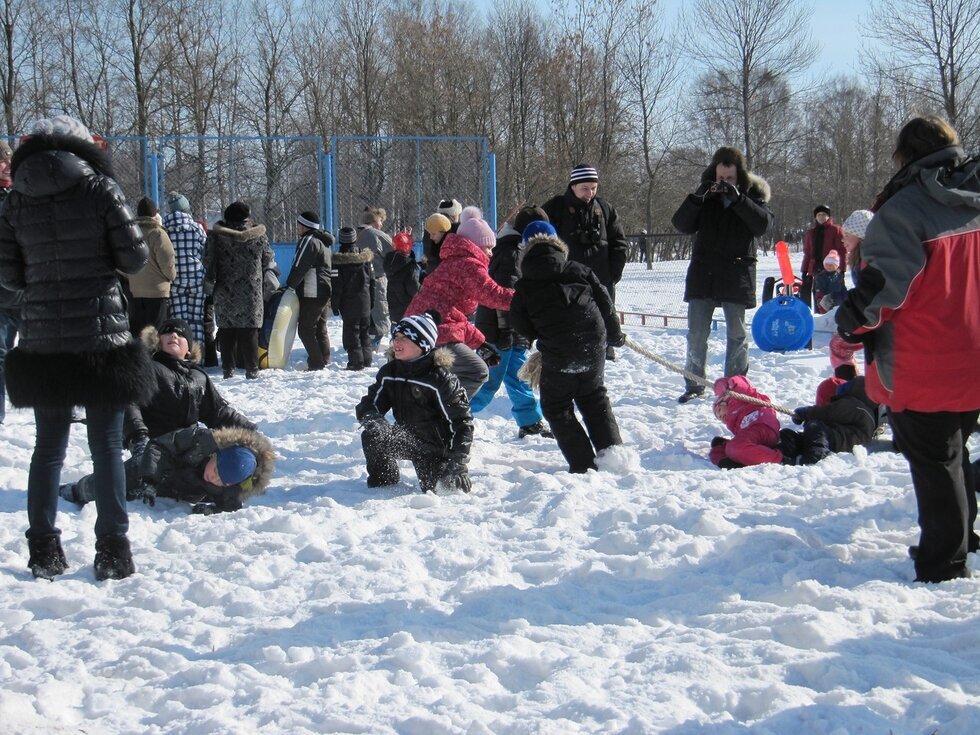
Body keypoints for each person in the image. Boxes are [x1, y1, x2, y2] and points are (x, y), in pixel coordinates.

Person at [0, 114, 155, 580]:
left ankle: (43, 549)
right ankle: (112, 549)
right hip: (101, 337)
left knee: (47, 449)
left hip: (44, 341)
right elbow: (134, 259)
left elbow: (8, 278)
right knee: (106, 444)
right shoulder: (100, 190)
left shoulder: (14, 201)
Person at [835, 115, 980, 583]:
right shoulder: (974, 199)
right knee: (953, 452)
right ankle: (963, 540)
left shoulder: (905, 211)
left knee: (936, 463)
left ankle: (944, 561)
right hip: (973, 352)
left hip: (924, 360)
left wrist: (851, 319)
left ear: (904, 156)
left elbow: (884, 291)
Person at [510, 221, 624, 474]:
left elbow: (520, 323)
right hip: (593, 345)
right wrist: (614, 335)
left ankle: (583, 464)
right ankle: (613, 453)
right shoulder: (579, 269)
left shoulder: (524, 285)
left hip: (558, 354)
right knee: (594, 397)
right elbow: (605, 302)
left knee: (556, 406)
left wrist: (538, 334)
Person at [671, 146, 773, 403]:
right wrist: (698, 197)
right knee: (696, 333)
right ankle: (694, 385)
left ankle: (735, 386)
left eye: (730, 179)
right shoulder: (704, 196)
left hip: (736, 275)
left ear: (739, 177)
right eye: (720, 179)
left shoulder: (753, 196)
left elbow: (762, 225)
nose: (725, 184)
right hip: (703, 274)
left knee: (737, 335)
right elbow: (681, 224)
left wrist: (739, 200)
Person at [355, 311, 473, 492]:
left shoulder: (440, 379)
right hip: (407, 439)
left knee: (441, 491)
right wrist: (373, 417)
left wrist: (458, 462)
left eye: (404, 338)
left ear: (422, 343)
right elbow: (370, 403)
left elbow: (462, 422)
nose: (396, 342)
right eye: (395, 336)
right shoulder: (390, 372)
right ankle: (383, 481)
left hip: (436, 449)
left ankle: (444, 475)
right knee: (373, 434)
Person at [404, 210, 514, 399]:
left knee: (448, 376)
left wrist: (480, 342)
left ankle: (434, 409)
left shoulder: (453, 261)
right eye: (487, 247)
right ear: (475, 245)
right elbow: (494, 296)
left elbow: (452, 314)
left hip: (417, 330)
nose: (490, 252)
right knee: (476, 371)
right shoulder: (469, 264)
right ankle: (446, 412)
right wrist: (527, 297)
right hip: (432, 333)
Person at [61, 424, 275, 515]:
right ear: (214, 454)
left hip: (173, 488)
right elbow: (160, 447)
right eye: (216, 470)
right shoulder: (199, 440)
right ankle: (75, 490)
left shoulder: (233, 487)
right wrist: (149, 480)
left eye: (220, 480)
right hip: (152, 468)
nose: (213, 478)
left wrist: (213, 509)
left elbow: (230, 504)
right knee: (112, 482)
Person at [471, 205, 552, 439]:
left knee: (519, 377)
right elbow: (505, 297)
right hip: (501, 332)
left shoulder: (511, 248)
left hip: (512, 332)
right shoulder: (511, 253)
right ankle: (452, 416)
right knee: (487, 383)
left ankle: (530, 421)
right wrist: (507, 331)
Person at [123, 317, 256, 456]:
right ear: (157, 342)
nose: (174, 335)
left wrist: (248, 429)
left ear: (189, 350)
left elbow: (217, 411)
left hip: (190, 448)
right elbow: (130, 403)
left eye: (181, 335)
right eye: (168, 332)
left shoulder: (198, 377)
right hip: (155, 448)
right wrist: (138, 438)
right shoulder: (148, 368)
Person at [542, 165, 629, 360]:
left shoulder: (605, 209)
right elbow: (542, 242)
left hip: (601, 279)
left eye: (593, 188)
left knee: (603, 313)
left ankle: (605, 346)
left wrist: (614, 272)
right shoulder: (554, 208)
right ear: (573, 186)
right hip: (567, 282)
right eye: (584, 188)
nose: (589, 193)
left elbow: (619, 243)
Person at [204, 201, 274, 380]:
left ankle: (228, 368)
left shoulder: (216, 236)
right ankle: (252, 369)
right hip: (251, 290)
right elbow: (267, 259)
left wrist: (209, 285)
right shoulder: (258, 236)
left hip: (224, 288)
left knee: (227, 329)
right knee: (249, 331)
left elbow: (208, 261)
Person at [780, 375, 881, 466]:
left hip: (848, 441)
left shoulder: (855, 405)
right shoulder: (855, 407)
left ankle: (815, 458)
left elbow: (826, 412)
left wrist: (805, 413)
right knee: (789, 434)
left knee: (815, 427)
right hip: (838, 437)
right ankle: (787, 452)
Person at [285, 211, 334, 371]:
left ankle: (316, 363)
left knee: (305, 329)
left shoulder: (309, 240)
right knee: (320, 327)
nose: (297, 227)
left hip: (312, 290)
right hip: (324, 290)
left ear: (305, 226)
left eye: (299, 224)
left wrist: (290, 285)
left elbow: (300, 266)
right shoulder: (323, 242)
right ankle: (324, 358)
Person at [164, 191, 208, 356]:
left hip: (175, 281)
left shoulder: (166, 229)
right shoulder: (197, 228)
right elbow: (205, 251)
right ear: (186, 209)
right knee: (196, 320)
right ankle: (197, 357)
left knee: (179, 322)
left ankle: (180, 356)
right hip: (196, 279)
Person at [708, 376, 784, 469]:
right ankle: (728, 461)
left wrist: (724, 384)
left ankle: (780, 458)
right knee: (718, 446)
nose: (720, 416)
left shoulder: (742, 399)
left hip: (762, 425)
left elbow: (741, 383)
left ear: (724, 401)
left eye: (719, 410)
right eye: (718, 417)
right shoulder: (734, 424)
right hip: (753, 438)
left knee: (734, 448)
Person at [127, 197, 176, 335]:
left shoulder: (130, 233)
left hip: (135, 292)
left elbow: (124, 262)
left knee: (139, 335)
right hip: (157, 292)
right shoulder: (158, 233)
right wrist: (171, 276)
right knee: (155, 335)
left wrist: (132, 278)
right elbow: (167, 260)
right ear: (155, 214)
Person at [331, 226, 375, 371]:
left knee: (352, 333)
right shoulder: (365, 259)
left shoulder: (337, 262)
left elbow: (337, 287)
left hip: (349, 304)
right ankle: (367, 359)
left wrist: (335, 305)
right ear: (355, 239)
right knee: (365, 331)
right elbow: (372, 282)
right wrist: (372, 301)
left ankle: (356, 362)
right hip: (365, 301)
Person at [0, 139, 19, 427]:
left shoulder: (23, 194)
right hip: (3, 291)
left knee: (45, 352)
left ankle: (58, 406)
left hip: (28, 287)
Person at [356, 206, 393, 346]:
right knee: (380, 313)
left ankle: (366, 341)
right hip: (377, 278)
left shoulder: (354, 233)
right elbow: (394, 251)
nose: (382, 224)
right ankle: (374, 342)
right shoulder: (377, 235)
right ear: (375, 219)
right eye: (381, 220)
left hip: (357, 281)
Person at [800, 205, 845, 308]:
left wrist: (842, 269)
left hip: (832, 269)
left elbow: (842, 251)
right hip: (816, 269)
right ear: (815, 217)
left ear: (828, 216)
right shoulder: (811, 233)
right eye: (819, 215)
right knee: (818, 297)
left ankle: (834, 319)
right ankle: (819, 319)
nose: (821, 217)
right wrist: (804, 270)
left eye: (824, 214)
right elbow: (807, 253)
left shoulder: (836, 230)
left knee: (834, 296)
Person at [384, 230, 420, 323]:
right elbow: (413, 288)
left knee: (396, 330)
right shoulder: (409, 266)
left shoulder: (391, 260)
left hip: (394, 305)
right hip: (407, 307)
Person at [423, 199, 462, 271]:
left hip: (431, 269)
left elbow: (427, 252)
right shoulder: (455, 228)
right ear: (454, 215)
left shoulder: (431, 224)